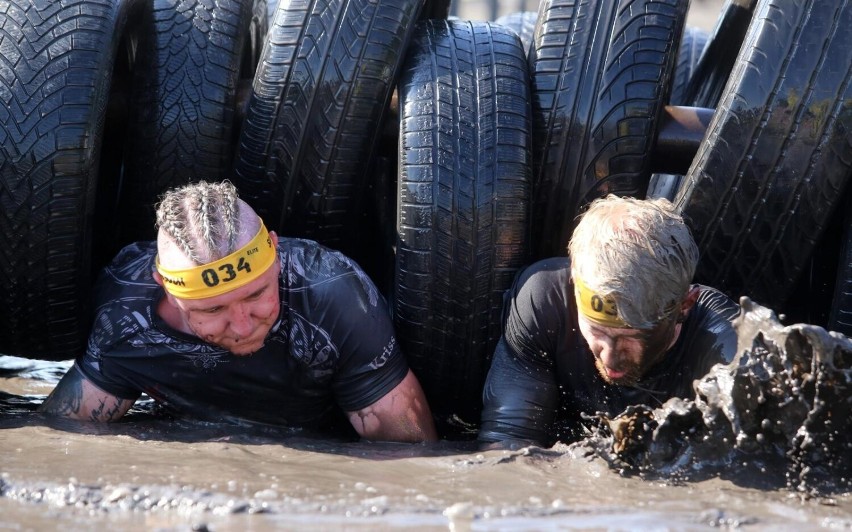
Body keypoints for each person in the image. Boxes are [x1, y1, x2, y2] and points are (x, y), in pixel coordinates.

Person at [40, 180, 437, 442]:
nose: (243, 324)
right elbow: (59, 438)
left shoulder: (333, 297)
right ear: (164, 286)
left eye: (255, 295)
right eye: (212, 309)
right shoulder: (124, 317)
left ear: (276, 255)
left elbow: (411, 460)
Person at [478, 195, 739, 448]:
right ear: (574, 289)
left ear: (685, 306)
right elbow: (507, 447)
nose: (610, 358)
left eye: (631, 336)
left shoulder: (722, 340)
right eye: (596, 330)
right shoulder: (546, 304)